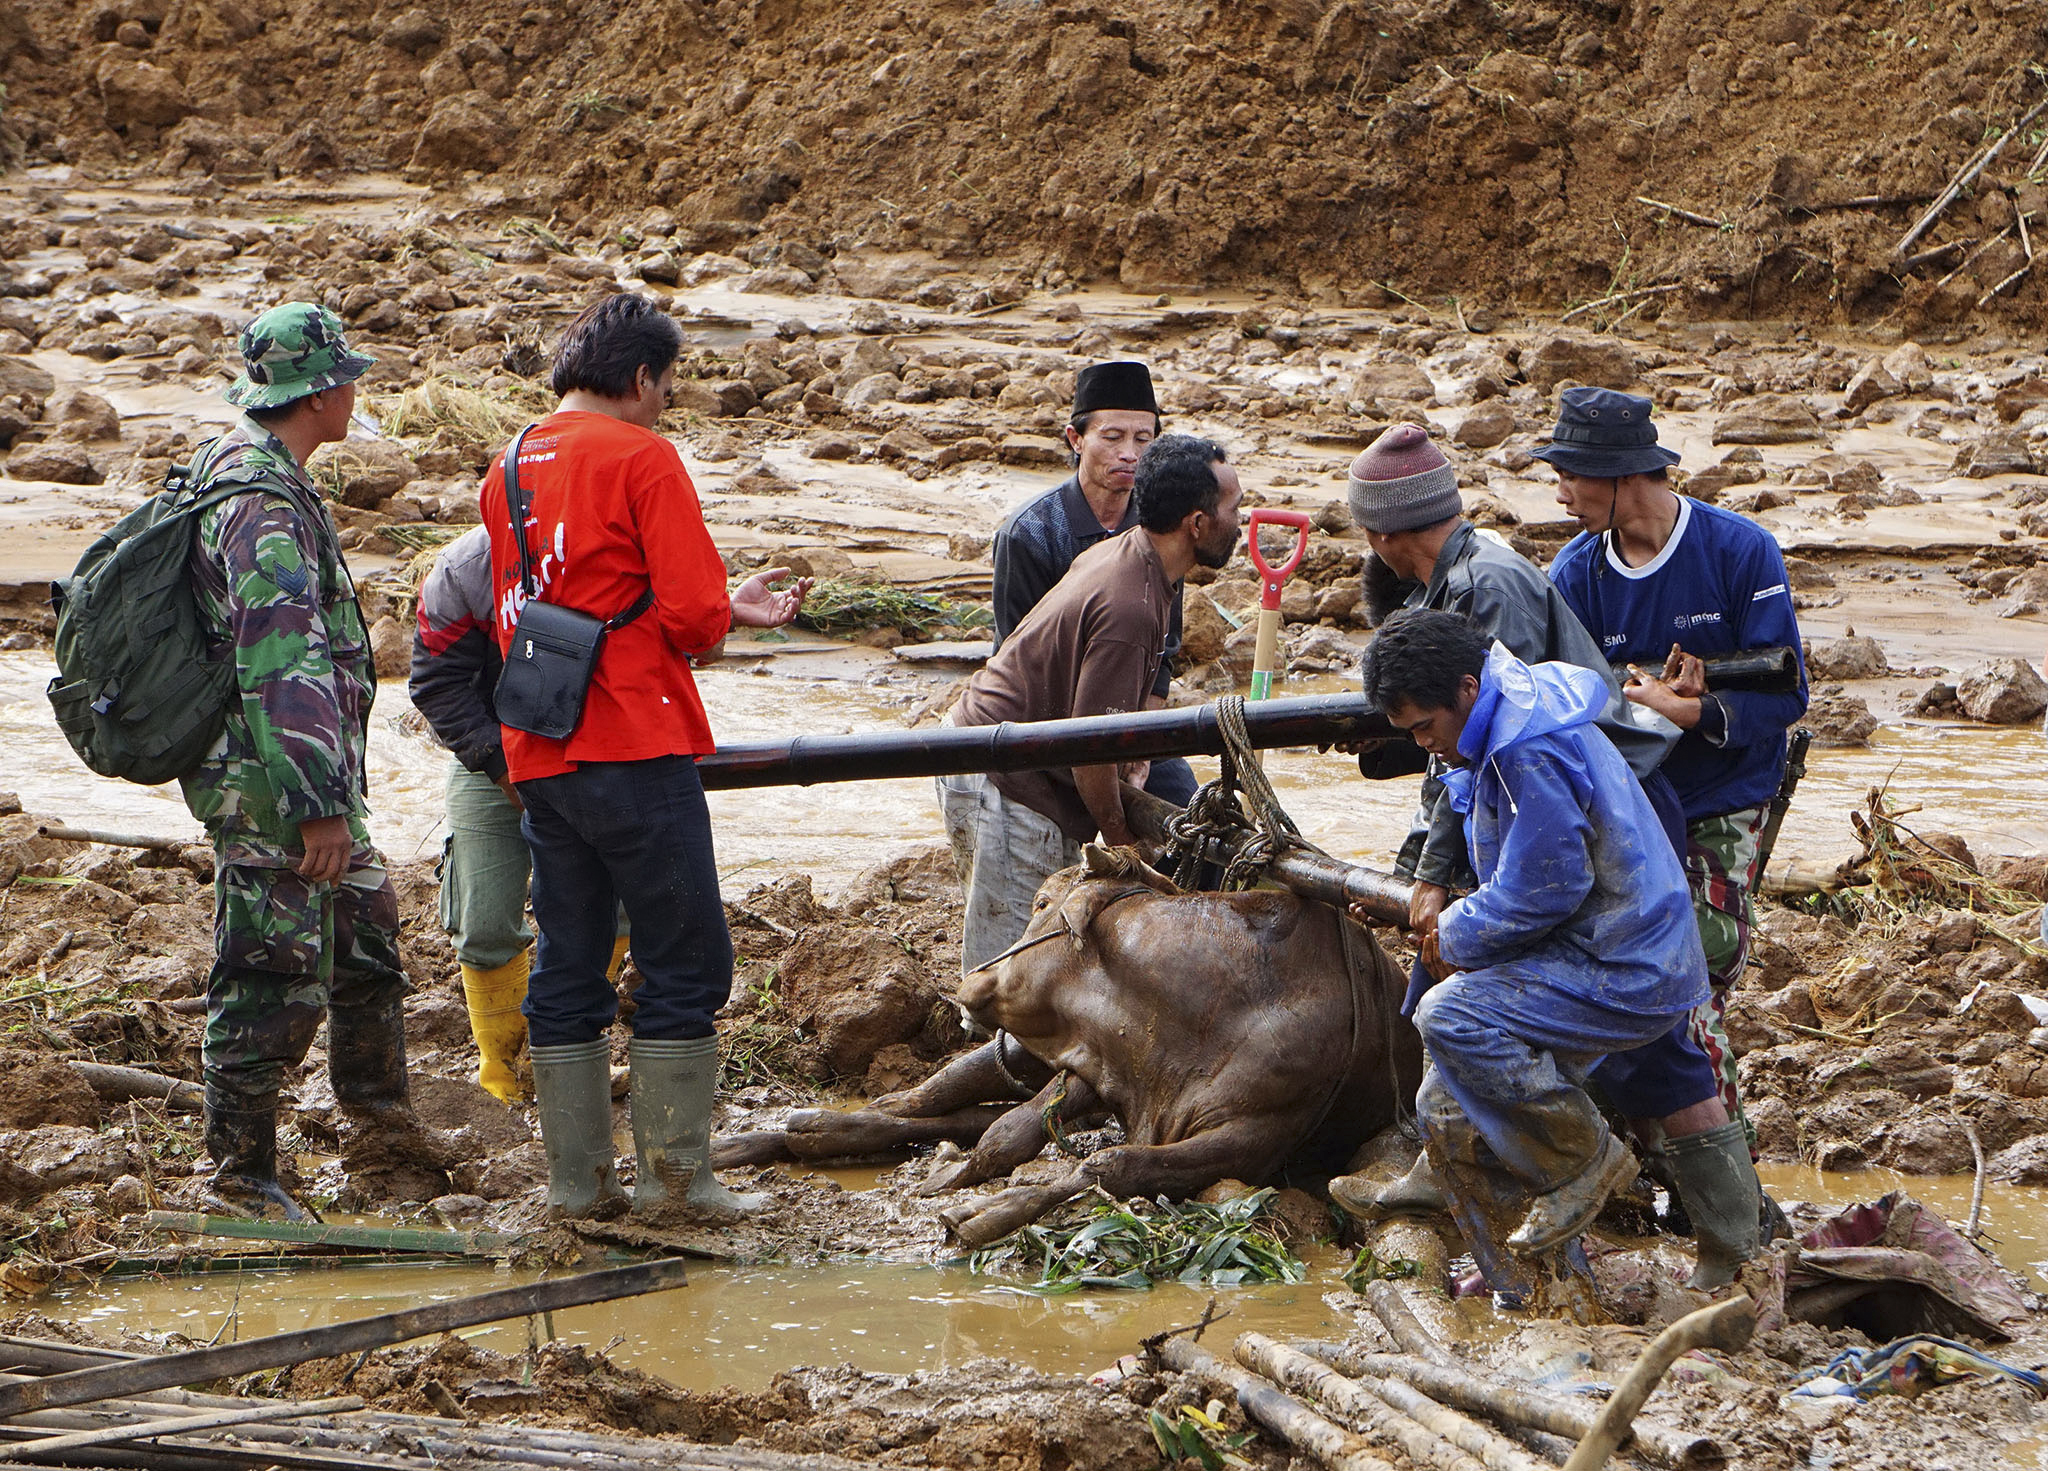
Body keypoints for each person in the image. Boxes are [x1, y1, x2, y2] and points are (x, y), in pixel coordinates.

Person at [1339, 425, 1758, 1287]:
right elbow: (1466, 789)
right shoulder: (1489, 707)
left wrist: (1453, 916)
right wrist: (1437, 882)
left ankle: (1611, 1182)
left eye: (1425, 730)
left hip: (1610, 919)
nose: (1428, 746)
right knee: (1450, 1075)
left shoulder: (1511, 694)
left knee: (1462, 1018)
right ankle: (1525, 1280)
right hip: (1591, 900)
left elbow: (1548, 878)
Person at [479, 294, 809, 1223]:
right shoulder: (644, 456)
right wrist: (721, 606)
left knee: (569, 955)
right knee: (686, 958)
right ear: (639, 379)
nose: (667, 402)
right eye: (666, 385)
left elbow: (555, 592)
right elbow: (694, 616)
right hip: (633, 736)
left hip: (542, 747)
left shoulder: (507, 461)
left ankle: (579, 1183)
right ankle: (677, 1181)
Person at [181, 301, 450, 1221]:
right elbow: (278, 658)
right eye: (348, 379)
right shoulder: (258, 500)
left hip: (296, 775)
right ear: (320, 393)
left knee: (368, 936)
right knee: (268, 970)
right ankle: (239, 1179)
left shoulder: (266, 474)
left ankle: (381, 1134)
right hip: (273, 785)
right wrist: (317, 806)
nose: (355, 392)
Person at [1540, 388, 1809, 1150]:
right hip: (1627, 806)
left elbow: (1787, 693)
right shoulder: (1575, 574)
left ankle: (1726, 1179)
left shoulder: (1738, 551)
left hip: (1725, 794)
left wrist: (1693, 710)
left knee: (1690, 975)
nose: (1559, 492)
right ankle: (1652, 1152)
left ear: (1625, 476)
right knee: (1615, 977)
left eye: (1571, 475)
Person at [941, 434, 1243, 973]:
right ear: (1196, 524)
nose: (1240, 522)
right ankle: (985, 1048)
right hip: (1004, 777)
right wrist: (1122, 835)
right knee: (1013, 971)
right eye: (1232, 508)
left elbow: (1109, 722)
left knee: (1042, 957)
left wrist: (1138, 756)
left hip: (1000, 754)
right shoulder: (1130, 604)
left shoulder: (1135, 557)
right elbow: (1090, 750)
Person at [408, 525, 629, 1103]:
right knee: (480, 919)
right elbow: (435, 682)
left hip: (601, 751)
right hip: (492, 754)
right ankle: (501, 1078)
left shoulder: (617, 547)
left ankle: (567, 1056)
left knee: (619, 909)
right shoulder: (464, 571)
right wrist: (500, 766)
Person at [990, 360, 1197, 806]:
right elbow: (1016, 654)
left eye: (1144, 439)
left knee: (1192, 819)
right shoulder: (1030, 533)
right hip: (1046, 726)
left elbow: (1166, 648)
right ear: (1076, 438)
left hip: (1132, 717)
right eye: (1113, 437)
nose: (1130, 454)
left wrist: (1140, 741)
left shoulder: (1159, 525)